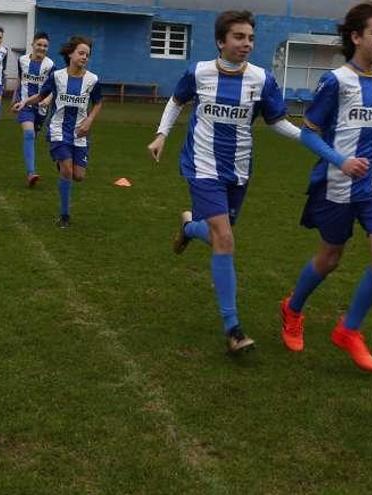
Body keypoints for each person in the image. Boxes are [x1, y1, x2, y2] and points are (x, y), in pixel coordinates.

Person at [146, 10, 301, 354]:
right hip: (202, 167)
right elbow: (176, 101)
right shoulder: (199, 72)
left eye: (250, 38)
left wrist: (307, 139)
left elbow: (276, 121)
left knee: (220, 236)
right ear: (221, 41)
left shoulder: (261, 79)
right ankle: (233, 328)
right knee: (225, 237)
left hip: (238, 170)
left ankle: (188, 228)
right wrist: (161, 135)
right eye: (239, 37)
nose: (246, 44)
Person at [279, 1, 372, 373]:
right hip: (338, 186)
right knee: (330, 258)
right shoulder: (335, 81)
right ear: (356, 36)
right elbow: (309, 134)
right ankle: (292, 308)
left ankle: (349, 329)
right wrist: (340, 161)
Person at [13, 35, 103, 228]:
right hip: (58, 130)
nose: (84, 57)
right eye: (81, 53)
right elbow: (41, 95)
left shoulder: (92, 80)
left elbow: (98, 102)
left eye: (87, 54)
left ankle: (63, 167)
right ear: (70, 54)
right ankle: (64, 216)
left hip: (80, 133)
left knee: (79, 176)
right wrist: (24, 102)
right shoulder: (57, 76)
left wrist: (89, 120)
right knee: (68, 171)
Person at [12, 32, 55, 187]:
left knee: (33, 137)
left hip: (41, 108)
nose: (42, 48)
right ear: (33, 45)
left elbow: (53, 88)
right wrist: (14, 98)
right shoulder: (22, 60)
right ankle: (31, 173)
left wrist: (48, 100)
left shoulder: (50, 65)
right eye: (39, 44)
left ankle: (32, 167)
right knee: (29, 134)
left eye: (45, 46)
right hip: (25, 105)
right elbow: (20, 78)